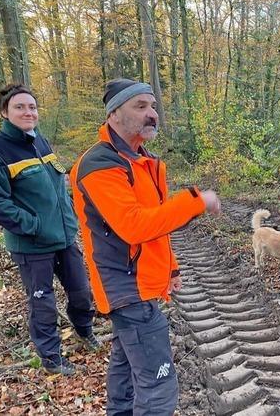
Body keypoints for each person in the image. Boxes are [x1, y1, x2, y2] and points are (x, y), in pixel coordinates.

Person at [70, 78, 221, 415]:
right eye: (140, 106)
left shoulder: (143, 161)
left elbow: (156, 222)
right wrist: (197, 202)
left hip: (137, 285)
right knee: (159, 386)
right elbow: (134, 225)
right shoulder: (99, 165)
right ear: (114, 115)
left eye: (152, 106)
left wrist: (170, 267)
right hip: (126, 288)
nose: (152, 114)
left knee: (125, 377)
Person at [0, 84, 97, 376]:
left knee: (81, 291)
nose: (28, 112)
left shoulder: (40, 141)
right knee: (42, 301)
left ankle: (84, 331)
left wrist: (72, 214)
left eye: (32, 107)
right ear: (5, 112)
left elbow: (57, 188)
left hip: (65, 237)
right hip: (31, 245)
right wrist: (32, 226)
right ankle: (52, 358)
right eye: (20, 107)